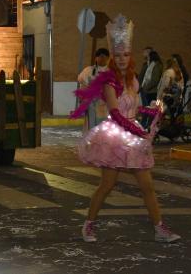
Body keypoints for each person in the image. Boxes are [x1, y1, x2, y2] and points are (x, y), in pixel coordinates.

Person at [71, 14, 180, 244]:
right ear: (113, 57)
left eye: (126, 55)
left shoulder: (134, 80)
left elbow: (137, 109)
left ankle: (159, 228)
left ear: (130, 56)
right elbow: (116, 113)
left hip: (133, 134)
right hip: (116, 136)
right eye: (118, 55)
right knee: (108, 185)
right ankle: (88, 225)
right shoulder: (109, 81)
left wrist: (154, 112)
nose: (122, 59)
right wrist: (138, 131)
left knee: (147, 185)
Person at [78, 48, 110, 131]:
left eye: (104, 56)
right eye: (100, 56)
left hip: (107, 103)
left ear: (108, 58)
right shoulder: (88, 70)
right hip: (92, 104)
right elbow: (83, 86)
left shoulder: (111, 71)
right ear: (96, 58)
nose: (102, 59)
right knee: (92, 125)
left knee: (105, 126)